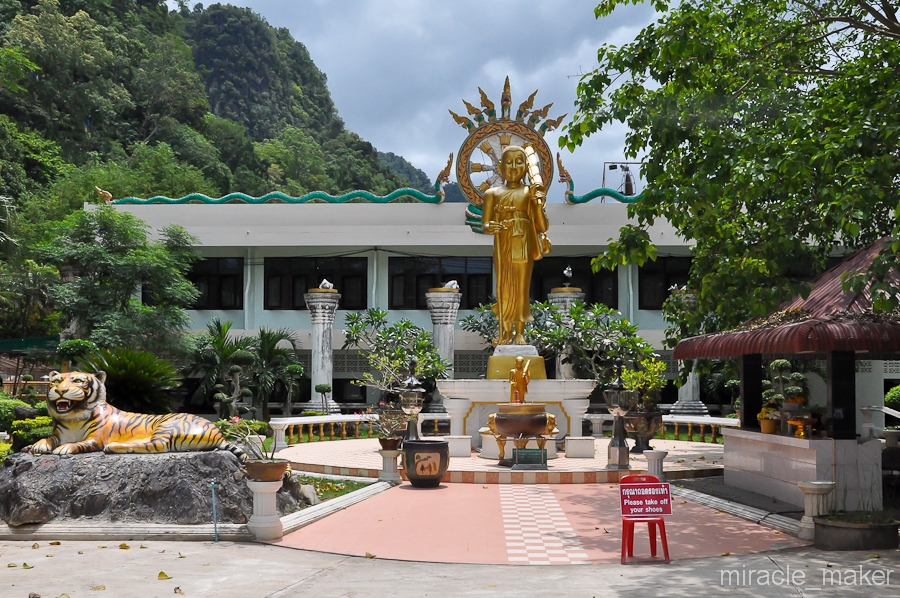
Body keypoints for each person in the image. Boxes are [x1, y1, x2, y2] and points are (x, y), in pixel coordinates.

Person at [482, 145, 549, 345]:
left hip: (524, 241)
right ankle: (505, 333)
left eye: (519, 162)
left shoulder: (529, 192)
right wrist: (489, 226)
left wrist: (537, 203)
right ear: (500, 167)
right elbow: (485, 224)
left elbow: (542, 226)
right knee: (504, 286)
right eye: (508, 163)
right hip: (502, 241)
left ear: (526, 167)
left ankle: (520, 333)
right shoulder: (491, 193)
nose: (513, 167)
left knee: (521, 288)